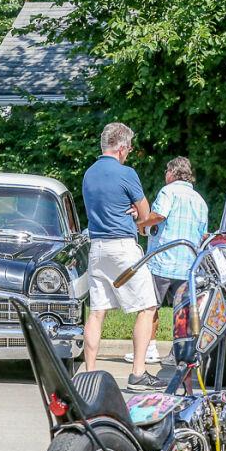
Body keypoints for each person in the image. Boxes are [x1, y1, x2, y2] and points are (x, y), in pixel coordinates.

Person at [81, 122, 161, 392]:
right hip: (122, 246)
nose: (129, 153)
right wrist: (136, 212)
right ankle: (138, 373)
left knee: (97, 312)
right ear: (122, 147)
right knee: (147, 306)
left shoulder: (89, 174)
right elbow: (146, 215)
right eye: (129, 148)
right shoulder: (126, 173)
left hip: (97, 248)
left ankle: (89, 372)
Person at [133, 156, 208, 365]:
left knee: (149, 308)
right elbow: (202, 236)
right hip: (187, 266)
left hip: (162, 261)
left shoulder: (169, 191)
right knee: (182, 312)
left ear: (173, 173)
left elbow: (159, 215)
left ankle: (149, 349)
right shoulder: (200, 200)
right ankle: (179, 354)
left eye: (167, 171)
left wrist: (141, 222)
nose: (166, 175)